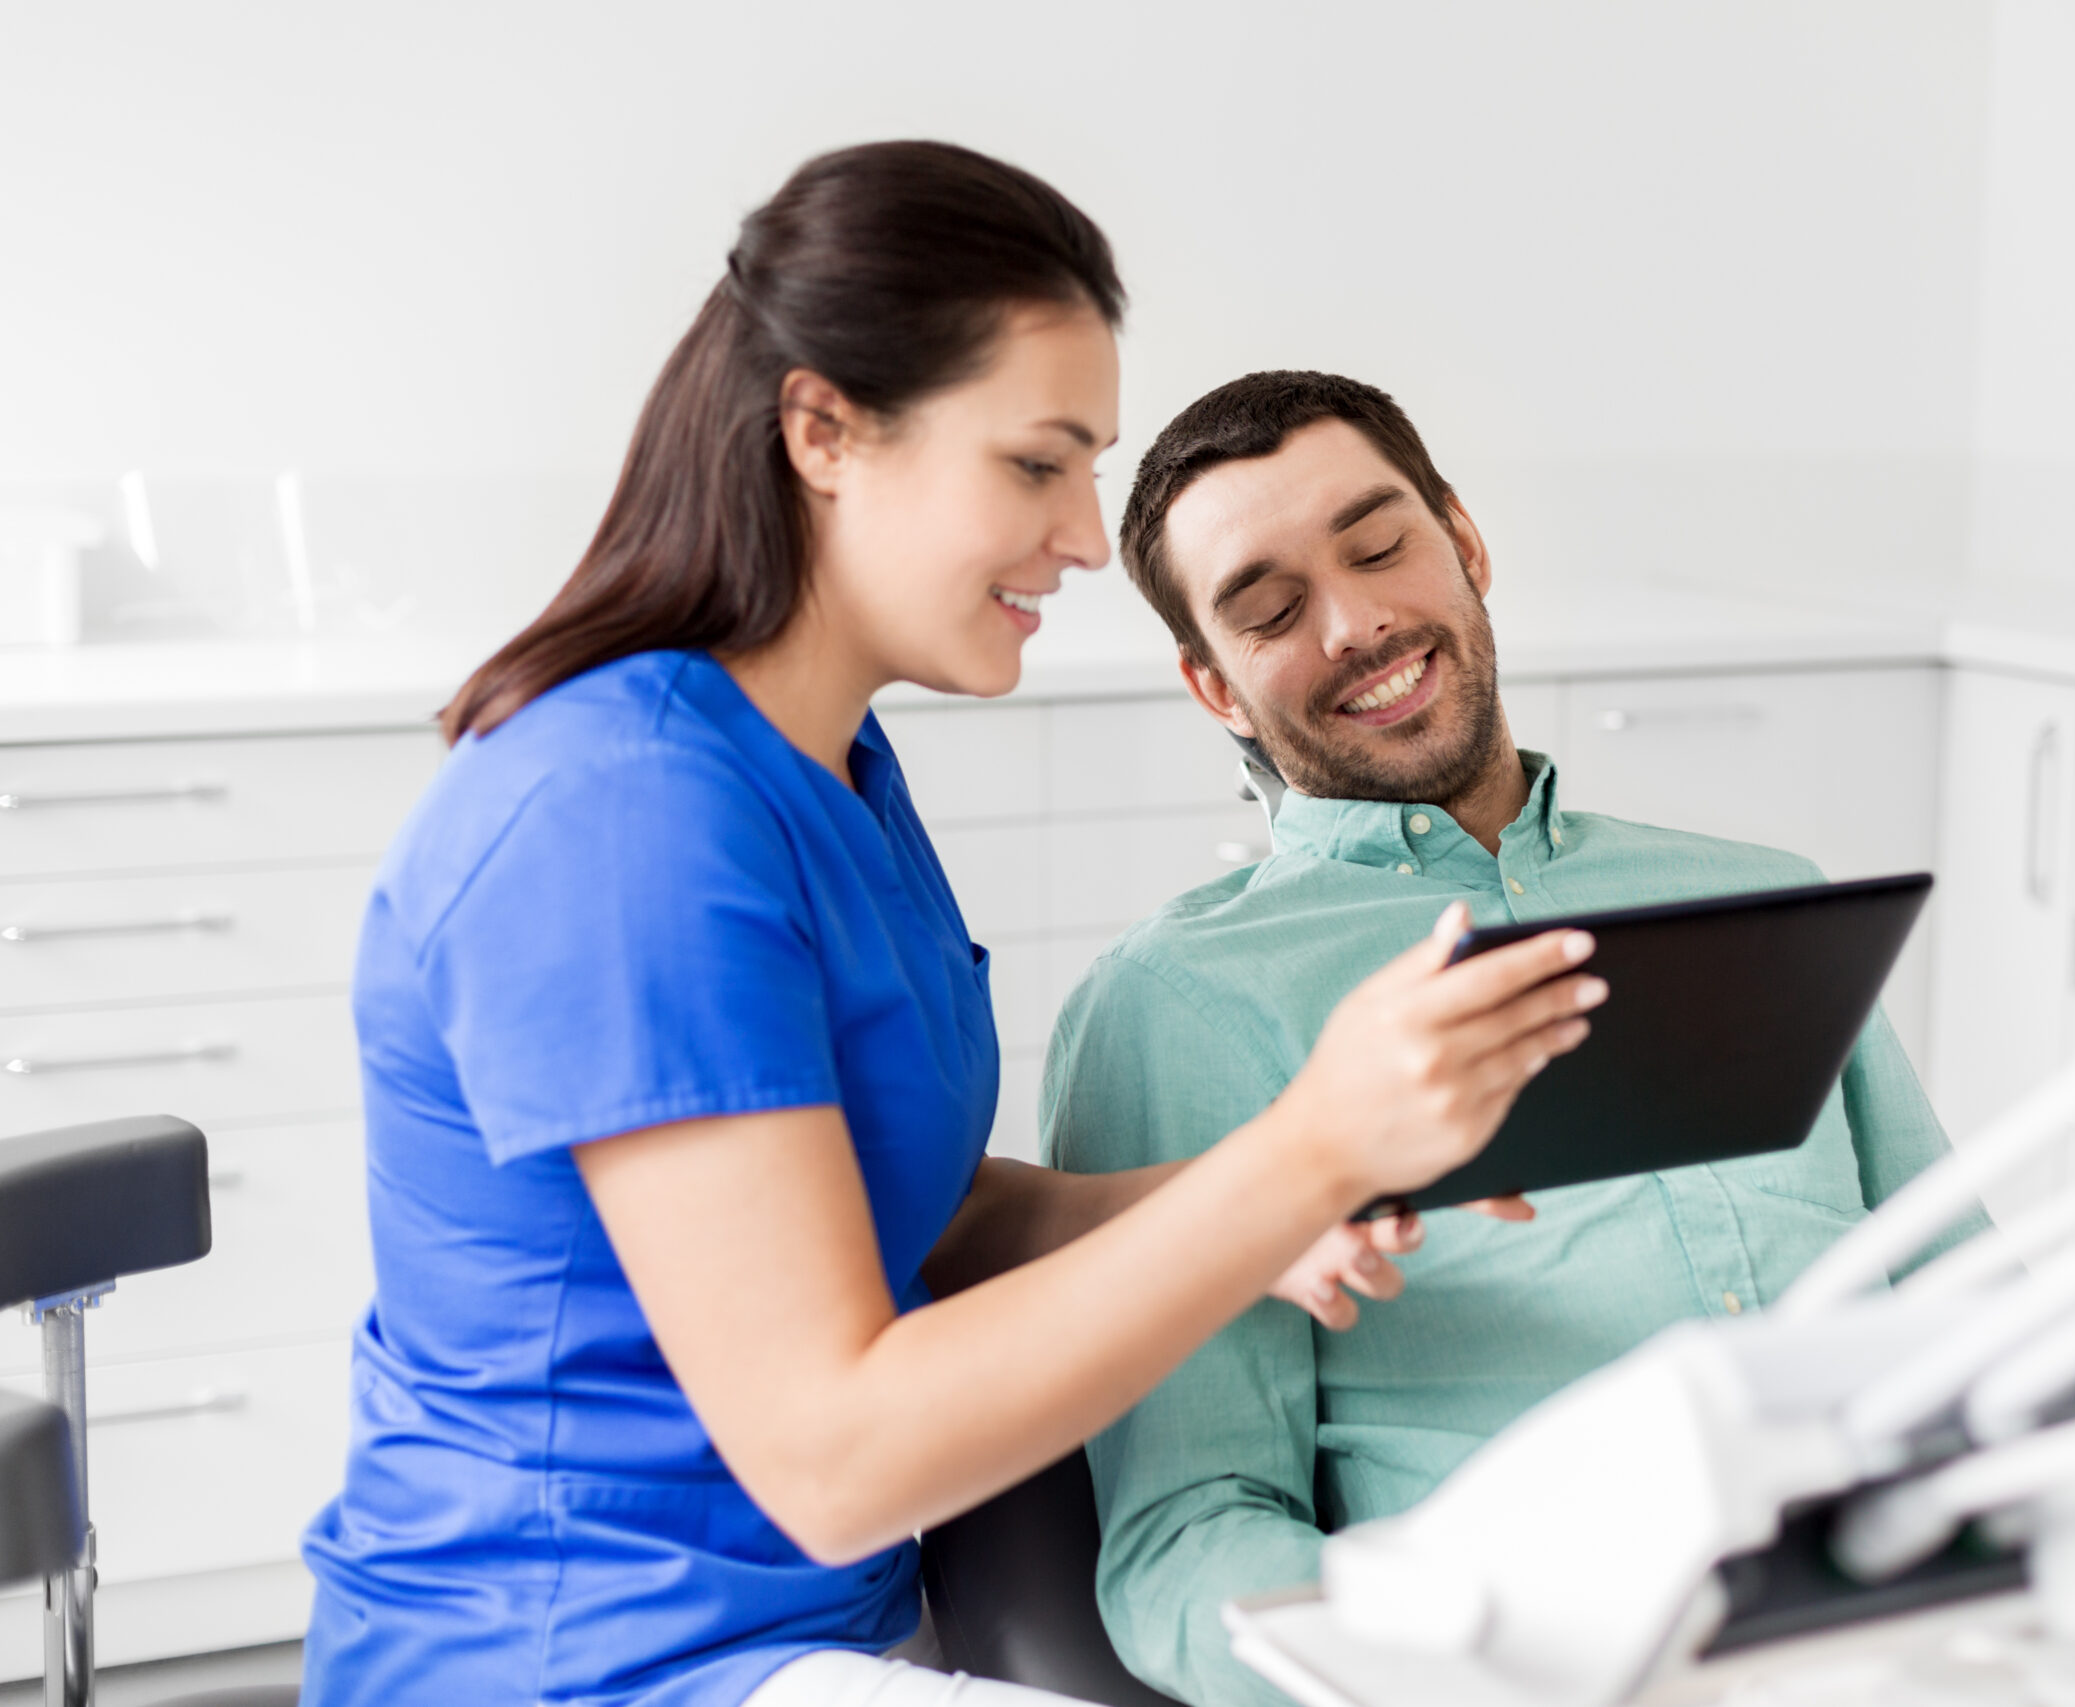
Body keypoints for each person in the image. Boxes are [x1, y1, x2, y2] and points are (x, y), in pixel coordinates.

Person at [297, 152, 1601, 1707]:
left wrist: (1268, 1216)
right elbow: (834, 1461)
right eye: (1039, 465)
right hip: (581, 1662)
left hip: (814, 1632)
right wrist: (1302, 1151)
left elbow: (901, 1204)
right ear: (824, 430)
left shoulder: (826, 763)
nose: (1077, 536)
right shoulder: (621, 817)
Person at [1043, 371, 2075, 1707]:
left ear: (1467, 542)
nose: (1356, 622)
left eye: (1382, 546)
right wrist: (1463, 1665)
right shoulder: (1182, 1005)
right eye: (1272, 612)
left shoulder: (1766, 896)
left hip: (1933, 1637)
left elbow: (1982, 1328)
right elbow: (1185, 1546)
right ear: (1214, 687)